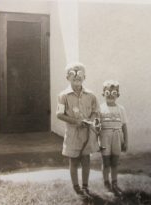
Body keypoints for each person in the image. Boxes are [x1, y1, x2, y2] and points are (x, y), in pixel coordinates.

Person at [56, 62, 99, 199]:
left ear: (84, 77)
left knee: (86, 158)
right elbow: (59, 114)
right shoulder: (63, 96)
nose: (76, 77)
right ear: (67, 78)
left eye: (80, 74)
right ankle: (76, 186)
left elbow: (95, 111)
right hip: (73, 133)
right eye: (72, 75)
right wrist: (75, 121)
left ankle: (85, 185)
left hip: (87, 133)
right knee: (73, 160)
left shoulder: (91, 95)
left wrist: (90, 120)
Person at [99, 80, 128, 196]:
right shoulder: (100, 108)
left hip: (117, 136)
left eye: (114, 92)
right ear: (103, 94)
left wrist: (126, 141)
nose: (111, 95)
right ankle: (106, 183)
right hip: (104, 137)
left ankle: (114, 183)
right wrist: (97, 141)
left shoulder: (121, 109)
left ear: (118, 95)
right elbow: (97, 126)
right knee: (106, 162)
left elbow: (124, 126)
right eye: (107, 92)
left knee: (115, 162)